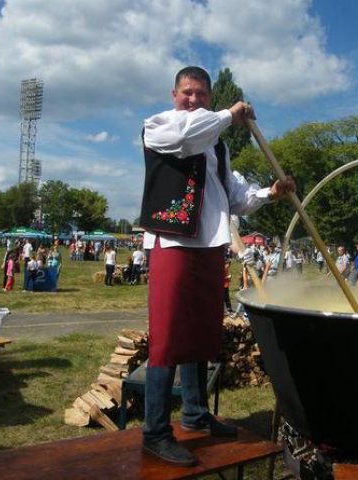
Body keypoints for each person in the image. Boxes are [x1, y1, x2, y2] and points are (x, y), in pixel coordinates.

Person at [139, 65, 295, 467]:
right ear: (174, 95)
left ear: (209, 96)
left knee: (200, 333)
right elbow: (188, 138)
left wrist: (271, 193)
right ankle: (155, 430)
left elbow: (237, 198)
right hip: (172, 241)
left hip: (209, 246)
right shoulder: (159, 126)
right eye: (187, 93)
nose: (193, 100)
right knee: (168, 336)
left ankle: (195, 413)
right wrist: (228, 116)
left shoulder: (219, 147)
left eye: (201, 94)